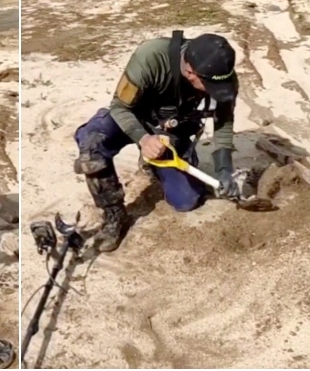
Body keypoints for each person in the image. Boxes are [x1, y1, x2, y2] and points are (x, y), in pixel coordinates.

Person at [73, 31, 241, 253]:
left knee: (186, 201)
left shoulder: (222, 75)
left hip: (171, 131)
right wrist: (143, 138)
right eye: (208, 87)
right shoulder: (151, 56)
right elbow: (119, 107)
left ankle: (153, 164)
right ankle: (114, 215)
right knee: (92, 141)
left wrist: (224, 169)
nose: (214, 92)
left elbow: (224, 122)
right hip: (132, 118)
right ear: (190, 71)